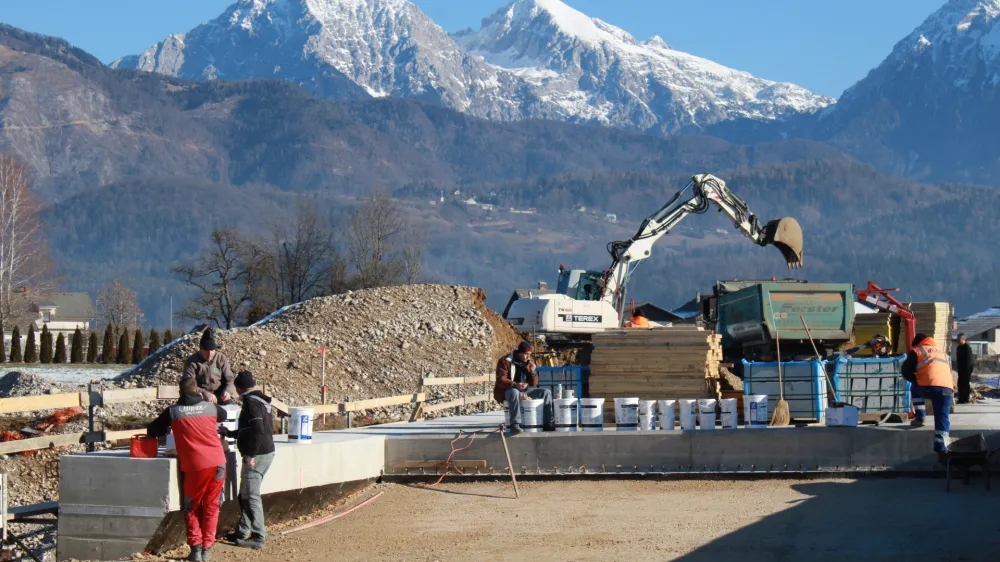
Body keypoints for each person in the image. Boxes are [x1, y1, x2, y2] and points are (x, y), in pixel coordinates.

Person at [147, 378, 227, 562]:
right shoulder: (209, 407)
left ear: (179, 393)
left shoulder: (173, 412)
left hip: (195, 466)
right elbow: (222, 415)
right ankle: (207, 549)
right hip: (218, 463)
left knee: (191, 508)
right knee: (212, 506)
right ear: (197, 391)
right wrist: (205, 397)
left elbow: (152, 430)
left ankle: (196, 550)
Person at [222, 371, 276, 550]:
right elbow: (251, 428)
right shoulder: (262, 401)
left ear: (238, 388)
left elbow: (257, 428)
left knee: (251, 495)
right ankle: (243, 532)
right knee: (245, 494)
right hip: (266, 452)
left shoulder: (251, 403)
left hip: (257, 455)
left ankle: (258, 537)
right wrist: (230, 433)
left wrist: (251, 454)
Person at [902, 334, 954, 452]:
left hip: (928, 386)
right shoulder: (943, 353)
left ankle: (920, 418)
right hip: (947, 388)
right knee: (942, 416)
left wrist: (916, 380)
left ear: (917, 343)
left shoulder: (918, 350)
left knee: (914, 388)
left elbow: (905, 371)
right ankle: (942, 446)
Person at [494, 342, 554, 435]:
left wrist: (533, 372)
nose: (527, 357)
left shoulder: (529, 363)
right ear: (519, 353)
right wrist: (515, 384)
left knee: (546, 392)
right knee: (514, 392)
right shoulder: (505, 361)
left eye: (529, 355)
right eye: (526, 354)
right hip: (509, 389)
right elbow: (501, 380)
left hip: (524, 390)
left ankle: (547, 423)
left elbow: (534, 383)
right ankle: (515, 424)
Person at [183, 328, 236, 405]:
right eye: (206, 350)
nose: (210, 353)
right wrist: (204, 393)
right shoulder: (192, 361)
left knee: (231, 408)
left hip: (220, 394)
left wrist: (227, 391)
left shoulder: (221, 358)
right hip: (200, 396)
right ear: (201, 349)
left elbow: (230, 378)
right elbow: (188, 383)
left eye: (212, 350)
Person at [955, 333, 973, 404]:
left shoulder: (967, 347)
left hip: (966, 370)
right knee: (960, 384)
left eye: (958, 338)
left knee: (965, 384)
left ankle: (965, 399)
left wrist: (968, 371)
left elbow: (969, 360)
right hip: (960, 369)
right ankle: (961, 399)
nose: (957, 340)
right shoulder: (959, 347)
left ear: (963, 339)